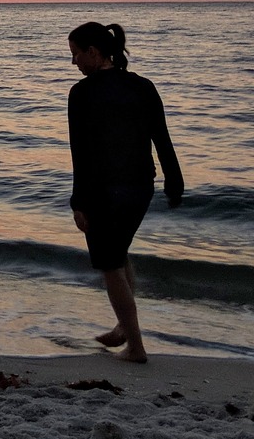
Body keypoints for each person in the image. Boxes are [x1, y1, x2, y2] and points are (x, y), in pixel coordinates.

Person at [67, 22, 183, 363]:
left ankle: (135, 346)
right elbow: (162, 139)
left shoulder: (82, 94)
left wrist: (78, 202)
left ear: (94, 52)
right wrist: (174, 183)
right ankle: (123, 328)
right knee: (118, 253)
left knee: (109, 264)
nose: (74, 63)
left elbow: (81, 153)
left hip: (104, 192)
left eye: (76, 54)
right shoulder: (143, 87)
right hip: (140, 189)